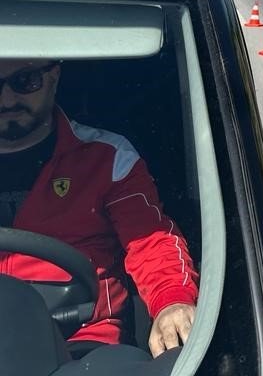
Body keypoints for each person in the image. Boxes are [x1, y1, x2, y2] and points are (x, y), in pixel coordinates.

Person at [0, 58, 199, 358]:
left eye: (25, 81)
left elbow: (151, 242)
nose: (7, 99)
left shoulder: (108, 158)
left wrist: (172, 301)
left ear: (53, 76)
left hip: (81, 345)